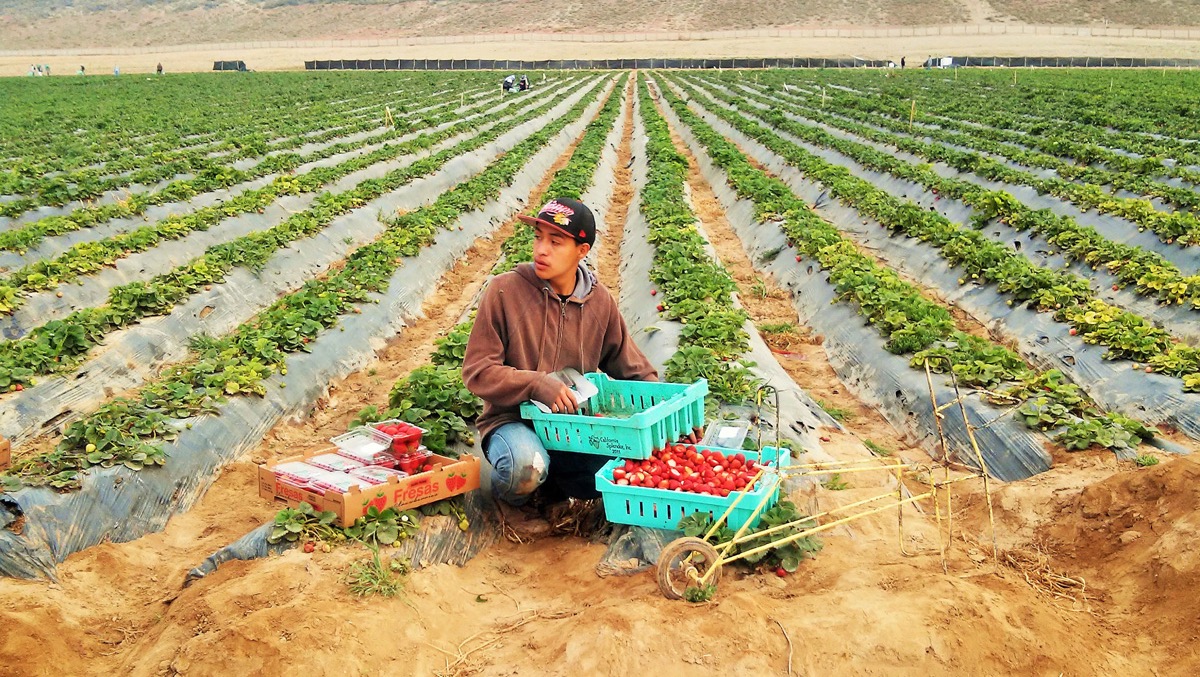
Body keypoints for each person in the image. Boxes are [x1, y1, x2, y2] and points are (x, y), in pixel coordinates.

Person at [463, 198, 657, 535]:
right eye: (538, 237)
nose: (542, 249)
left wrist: (665, 415)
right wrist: (536, 384)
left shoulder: (599, 303)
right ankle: (514, 501)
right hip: (513, 422)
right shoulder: (505, 291)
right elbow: (477, 370)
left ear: (582, 251)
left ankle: (553, 490)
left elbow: (633, 368)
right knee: (524, 467)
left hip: (574, 430)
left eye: (555, 242)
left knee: (631, 465)